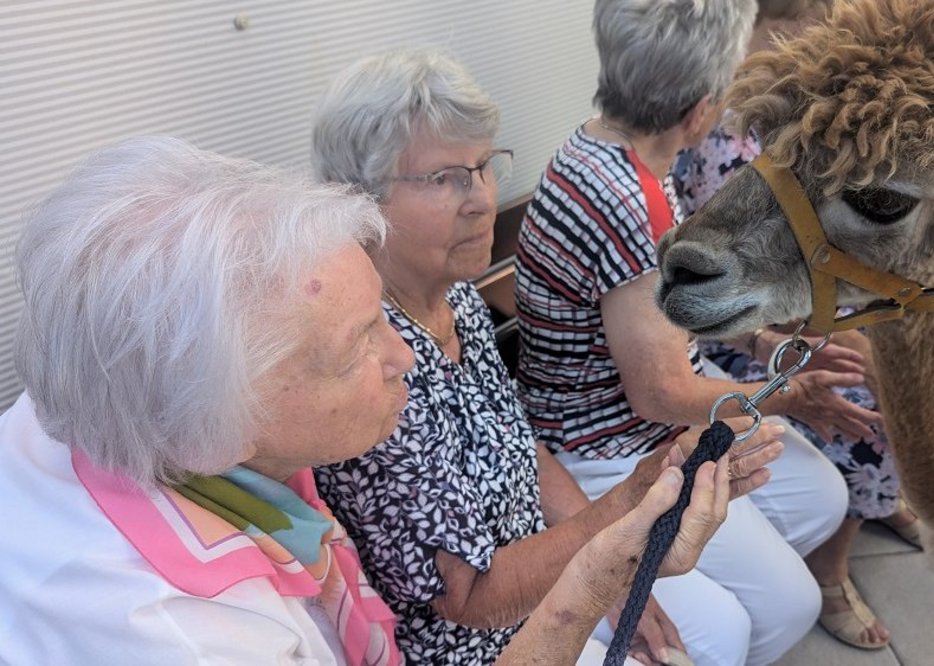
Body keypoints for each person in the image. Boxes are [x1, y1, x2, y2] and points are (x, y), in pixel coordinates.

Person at [0, 135, 736, 666]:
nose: (406, 354)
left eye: (384, 313)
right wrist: (607, 563)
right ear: (210, 435)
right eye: (356, 348)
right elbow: (465, 597)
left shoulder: (121, 384)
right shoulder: (186, 637)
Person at [309, 49, 784, 666]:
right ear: (360, 200)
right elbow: (471, 600)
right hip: (480, 645)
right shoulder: (372, 361)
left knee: (715, 632)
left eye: (483, 167)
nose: (481, 197)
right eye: (444, 177)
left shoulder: (456, 298)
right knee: (709, 641)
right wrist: (624, 518)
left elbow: (520, 443)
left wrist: (609, 569)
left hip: (537, 562)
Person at [514, 1, 869, 663]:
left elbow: (670, 310)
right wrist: (791, 395)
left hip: (623, 426)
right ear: (702, 110)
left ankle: (715, 573)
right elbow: (660, 392)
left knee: (821, 497)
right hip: (601, 449)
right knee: (756, 621)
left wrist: (761, 344)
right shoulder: (630, 201)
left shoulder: (597, 146)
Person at [668, 0, 927, 650]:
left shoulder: (798, 109)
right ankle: (831, 568)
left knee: (907, 355)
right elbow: (726, 274)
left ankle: (876, 499)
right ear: (770, 30)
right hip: (734, 329)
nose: (821, 49)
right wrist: (814, 331)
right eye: (812, 32)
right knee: (874, 390)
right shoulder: (714, 128)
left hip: (799, 301)